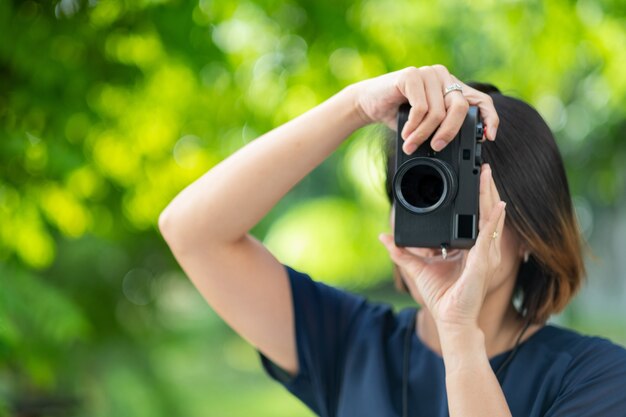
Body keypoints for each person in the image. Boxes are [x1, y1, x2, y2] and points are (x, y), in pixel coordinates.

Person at [158, 65, 626, 416]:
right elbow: (192, 232)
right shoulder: (351, 344)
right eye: (424, 188)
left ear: (530, 232)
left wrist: (460, 336)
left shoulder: (596, 378)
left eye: (465, 196)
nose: (438, 220)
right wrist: (356, 105)